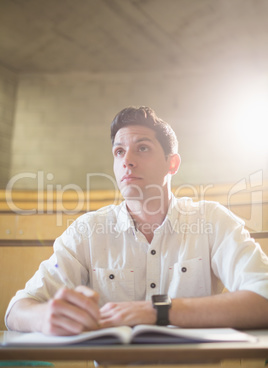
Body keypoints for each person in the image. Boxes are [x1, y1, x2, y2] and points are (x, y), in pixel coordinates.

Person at [5, 106, 268, 335]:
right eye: (119, 152)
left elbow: (264, 297)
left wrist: (157, 311)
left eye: (142, 148)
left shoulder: (212, 220)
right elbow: (17, 309)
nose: (127, 161)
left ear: (172, 164)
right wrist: (44, 317)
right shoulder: (87, 231)